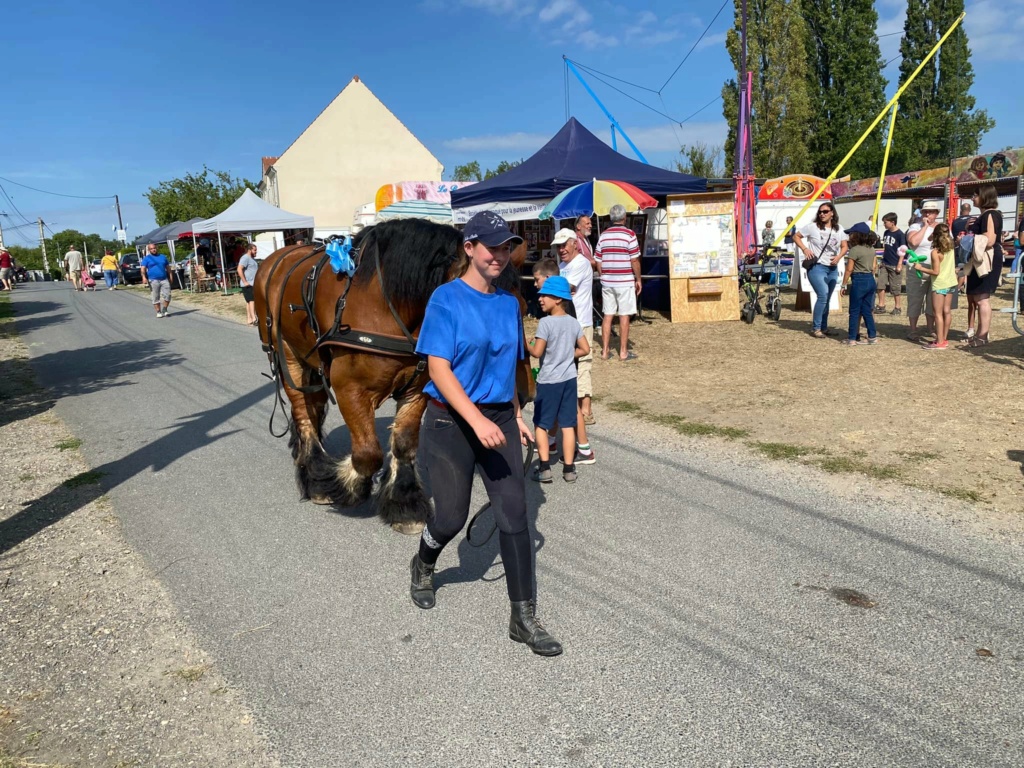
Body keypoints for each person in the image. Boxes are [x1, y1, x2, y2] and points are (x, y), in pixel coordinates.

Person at [408, 211, 561, 657]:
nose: (499, 255)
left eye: (504, 247)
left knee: (514, 514)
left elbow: (509, 365)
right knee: (451, 517)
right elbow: (439, 368)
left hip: (497, 417)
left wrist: (514, 413)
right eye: (489, 246)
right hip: (449, 420)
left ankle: (523, 618)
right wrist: (475, 419)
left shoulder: (508, 304)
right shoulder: (446, 299)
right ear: (469, 248)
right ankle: (423, 563)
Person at [529, 276, 589, 484]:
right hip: (569, 380)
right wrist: (566, 354)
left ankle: (544, 468)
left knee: (541, 424)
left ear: (558, 299)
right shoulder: (573, 323)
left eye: (545, 295)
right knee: (567, 424)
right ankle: (569, 469)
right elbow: (585, 349)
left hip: (548, 381)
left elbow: (537, 353)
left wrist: (523, 343)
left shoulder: (545, 323)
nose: (540, 299)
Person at [554, 228, 598, 439]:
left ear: (574, 244)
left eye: (564, 245)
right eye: (558, 246)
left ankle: (586, 409)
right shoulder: (563, 265)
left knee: (584, 362)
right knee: (570, 362)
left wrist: (548, 284)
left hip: (581, 321)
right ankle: (575, 405)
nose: (561, 249)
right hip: (568, 320)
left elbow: (567, 289)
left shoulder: (580, 263)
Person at [793, 201, 848, 338]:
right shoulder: (812, 227)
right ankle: (816, 328)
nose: (822, 214)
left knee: (827, 298)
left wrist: (839, 257)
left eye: (825, 211)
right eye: (820, 211)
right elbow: (796, 236)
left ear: (832, 213)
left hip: (832, 268)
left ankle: (824, 327)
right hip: (817, 267)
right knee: (822, 295)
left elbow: (844, 246)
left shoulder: (838, 229)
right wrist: (805, 249)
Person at [595, 204, 641, 361]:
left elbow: (598, 260)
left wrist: (603, 276)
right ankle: (623, 352)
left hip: (607, 281)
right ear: (624, 217)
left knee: (607, 315)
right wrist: (638, 279)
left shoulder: (603, 236)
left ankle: (605, 351)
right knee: (624, 315)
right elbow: (634, 260)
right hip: (624, 280)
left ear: (610, 218)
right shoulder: (630, 235)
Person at [963, 184, 1004, 348]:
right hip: (979, 259)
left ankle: (982, 336)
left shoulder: (990, 214)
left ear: (985, 196)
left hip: (986, 260)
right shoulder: (986, 215)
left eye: (975, 195)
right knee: (978, 298)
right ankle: (980, 335)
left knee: (982, 299)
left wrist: (968, 240)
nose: (973, 198)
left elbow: (990, 239)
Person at [915, 223, 956, 350]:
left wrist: (921, 268)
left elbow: (936, 272)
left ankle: (939, 342)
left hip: (940, 284)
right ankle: (943, 338)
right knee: (947, 311)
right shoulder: (951, 248)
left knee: (937, 313)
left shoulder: (935, 252)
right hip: (951, 283)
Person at [839, 222, 880, 346]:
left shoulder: (854, 250)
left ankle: (852, 338)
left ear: (856, 235)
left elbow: (849, 269)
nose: (849, 236)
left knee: (854, 310)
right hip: (870, 280)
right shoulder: (871, 249)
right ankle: (872, 336)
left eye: (851, 234)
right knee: (867, 310)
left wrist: (843, 284)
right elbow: (874, 266)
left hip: (859, 280)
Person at [906, 200, 940, 341]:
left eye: (930, 212)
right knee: (915, 298)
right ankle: (913, 329)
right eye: (925, 211)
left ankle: (930, 328)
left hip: (935, 268)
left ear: (936, 213)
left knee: (933, 300)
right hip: (917, 268)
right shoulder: (915, 226)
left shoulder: (942, 227)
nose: (927, 214)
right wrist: (925, 227)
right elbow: (913, 242)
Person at [876, 213, 905, 315]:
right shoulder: (886, 233)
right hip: (885, 263)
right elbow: (886, 248)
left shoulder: (900, 234)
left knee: (895, 287)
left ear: (892, 222)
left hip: (895, 263)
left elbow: (903, 250)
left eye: (885, 222)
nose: (884, 224)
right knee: (880, 284)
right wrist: (882, 260)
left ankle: (897, 307)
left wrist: (900, 263)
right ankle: (881, 305)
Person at [140, 243, 173, 318]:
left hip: (164, 279)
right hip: (153, 280)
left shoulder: (163, 257)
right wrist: (143, 277)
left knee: (168, 295)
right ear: (149, 250)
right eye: (151, 249)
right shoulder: (147, 258)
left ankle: (165, 309)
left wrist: (171, 276)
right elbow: (143, 268)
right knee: (155, 296)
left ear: (156, 248)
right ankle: (158, 311)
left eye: (154, 248)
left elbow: (168, 268)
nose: (153, 250)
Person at [237, 243, 259, 325]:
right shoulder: (245, 258)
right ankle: (254, 318)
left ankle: (249, 318)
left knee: (249, 301)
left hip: (253, 283)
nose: (256, 251)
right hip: (248, 284)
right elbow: (239, 269)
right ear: (250, 250)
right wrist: (245, 281)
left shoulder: (252, 259)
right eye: (254, 250)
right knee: (252, 300)